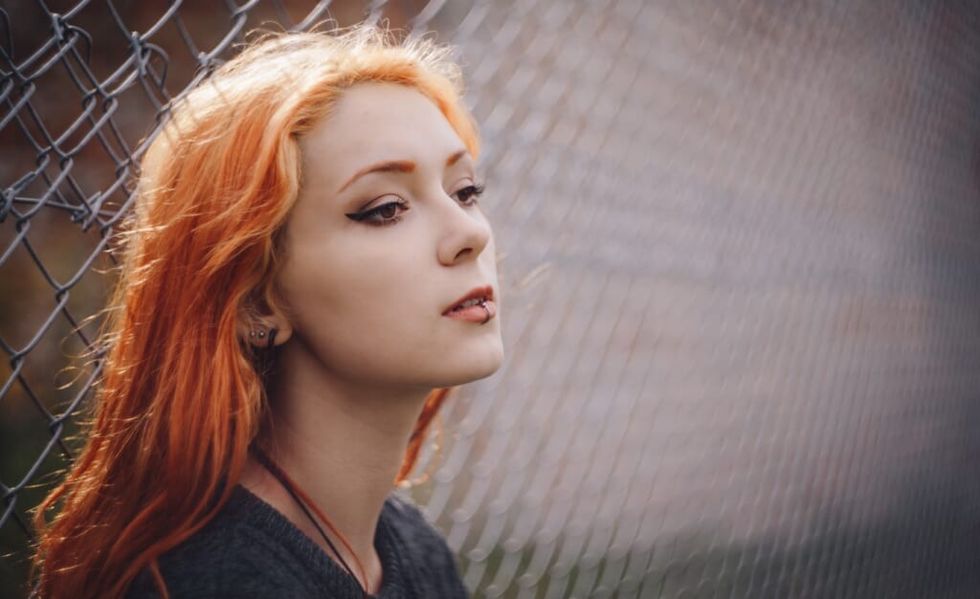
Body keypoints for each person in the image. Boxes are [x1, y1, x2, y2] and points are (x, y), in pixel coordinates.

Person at [30, 24, 504, 599]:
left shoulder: (415, 552)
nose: (469, 233)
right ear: (258, 300)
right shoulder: (207, 582)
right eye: (385, 209)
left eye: (465, 191)